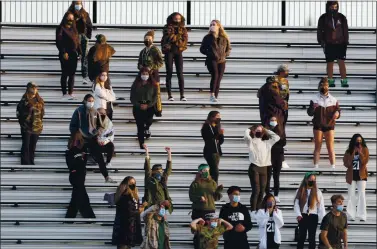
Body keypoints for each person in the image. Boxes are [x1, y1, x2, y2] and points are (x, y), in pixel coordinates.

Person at [69, 94, 116, 183]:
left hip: (92, 138)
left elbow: (101, 126)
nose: (91, 103)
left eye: (92, 101)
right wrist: (76, 133)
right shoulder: (78, 111)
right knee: (81, 160)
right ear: (85, 101)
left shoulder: (95, 111)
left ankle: (106, 176)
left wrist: (97, 133)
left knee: (100, 157)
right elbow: (72, 125)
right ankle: (80, 180)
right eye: (89, 101)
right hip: (81, 138)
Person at [243, 125, 280, 213]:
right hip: (254, 167)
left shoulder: (267, 143)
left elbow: (277, 137)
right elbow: (246, 136)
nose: (259, 132)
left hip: (264, 168)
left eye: (260, 131)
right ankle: (253, 210)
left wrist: (265, 130)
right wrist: (249, 129)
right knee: (256, 190)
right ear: (254, 132)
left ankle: (258, 210)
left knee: (262, 190)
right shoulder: (251, 141)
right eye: (257, 131)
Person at [307, 77, 340, 169]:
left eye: (325, 85)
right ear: (319, 86)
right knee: (318, 146)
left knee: (330, 147)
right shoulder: (314, 99)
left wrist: (337, 113)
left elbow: (338, 110)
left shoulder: (333, 99)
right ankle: (316, 165)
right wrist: (313, 108)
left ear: (328, 86)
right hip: (318, 125)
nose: (324, 87)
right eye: (322, 85)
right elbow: (309, 113)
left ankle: (333, 166)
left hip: (329, 125)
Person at [189, 164, 223, 249]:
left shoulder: (212, 182)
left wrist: (218, 192)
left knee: (211, 232)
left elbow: (216, 198)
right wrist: (199, 198)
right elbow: (191, 197)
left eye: (207, 170)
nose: (206, 172)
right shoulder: (195, 183)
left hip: (210, 210)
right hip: (198, 211)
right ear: (200, 171)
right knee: (199, 232)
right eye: (204, 170)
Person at [317, 1, 349, 88]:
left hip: (340, 44)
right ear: (328, 7)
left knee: (341, 62)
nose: (334, 8)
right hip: (329, 44)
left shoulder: (341, 17)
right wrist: (321, 41)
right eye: (332, 7)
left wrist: (346, 42)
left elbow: (345, 30)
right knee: (330, 63)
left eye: (335, 7)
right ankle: (330, 80)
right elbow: (319, 31)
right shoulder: (323, 18)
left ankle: (344, 81)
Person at [65, 131, 95, 219]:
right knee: (82, 195)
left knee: (77, 195)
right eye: (75, 140)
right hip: (75, 174)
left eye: (78, 140)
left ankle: (70, 218)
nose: (76, 142)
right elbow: (70, 164)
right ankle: (89, 217)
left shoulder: (83, 150)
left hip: (80, 174)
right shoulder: (70, 151)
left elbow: (82, 163)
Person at [200, 20, 231, 102]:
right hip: (211, 60)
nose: (212, 26)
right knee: (215, 75)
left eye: (214, 24)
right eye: (211, 24)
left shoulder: (224, 38)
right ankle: (212, 94)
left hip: (222, 61)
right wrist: (209, 53)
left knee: (219, 78)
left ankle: (215, 97)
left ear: (218, 26)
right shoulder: (207, 38)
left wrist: (225, 54)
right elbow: (202, 49)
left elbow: (228, 48)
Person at [294, 172, 326, 249]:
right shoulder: (299, 191)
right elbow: (296, 204)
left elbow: (320, 206)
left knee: (312, 237)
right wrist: (298, 214)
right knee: (302, 236)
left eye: (314, 179)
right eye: (310, 179)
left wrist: (323, 219)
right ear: (306, 180)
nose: (312, 181)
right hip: (303, 215)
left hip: (313, 216)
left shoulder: (318, 192)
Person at [161, 12, 188, 101]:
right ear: (172, 18)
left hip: (178, 51)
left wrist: (175, 39)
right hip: (169, 52)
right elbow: (167, 37)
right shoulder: (167, 27)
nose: (177, 20)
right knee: (169, 72)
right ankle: (170, 95)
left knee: (180, 73)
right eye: (175, 18)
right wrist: (178, 38)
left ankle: (182, 95)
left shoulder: (183, 29)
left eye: (178, 19)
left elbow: (184, 41)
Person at [112, 176, 145, 249]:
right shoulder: (124, 196)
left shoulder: (132, 196)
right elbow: (128, 212)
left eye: (134, 183)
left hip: (129, 228)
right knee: (123, 246)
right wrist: (139, 210)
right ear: (126, 184)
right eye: (130, 183)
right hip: (124, 228)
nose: (133, 185)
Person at [16, 82, 45, 165]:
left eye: (35, 88)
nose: (35, 89)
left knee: (32, 146)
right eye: (33, 87)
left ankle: (31, 161)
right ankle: (25, 162)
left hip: (36, 127)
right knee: (26, 145)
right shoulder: (24, 100)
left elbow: (42, 113)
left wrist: (38, 122)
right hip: (26, 127)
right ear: (28, 88)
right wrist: (24, 123)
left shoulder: (40, 100)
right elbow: (19, 114)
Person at [343, 134, 369, 221]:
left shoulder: (365, 149)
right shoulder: (348, 151)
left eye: (360, 141)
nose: (359, 142)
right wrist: (353, 154)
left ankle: (362, 215)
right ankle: (351, 215)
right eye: (357, 141)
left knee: (362, 195)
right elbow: (346, 164)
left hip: (361, 175)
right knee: (351, 195)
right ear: (353, 141)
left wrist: (360, 153)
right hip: (351, 175)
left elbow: (365, 162)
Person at [130, 67, 158, 149]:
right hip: (138, 107)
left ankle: (147, 128)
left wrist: (148, 105)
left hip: (149, 107)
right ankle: (141, 144)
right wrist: (139, 105)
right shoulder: (135, 85)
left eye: (146, 74)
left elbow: (155, 98)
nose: (145, 76)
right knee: (140, 126)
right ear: (140, 75)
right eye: (143, 74)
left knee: (149, 121)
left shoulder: (153, 85)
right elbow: (132, 98)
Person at [138, 30, 164, 117]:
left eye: (149, 39)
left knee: (156, 92)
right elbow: (139, 63)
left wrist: (151, 67)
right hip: (144, 75)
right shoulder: (142, 51)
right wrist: (140, 67)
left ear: (152, 40)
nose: (147, 40)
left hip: (153, 74)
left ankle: (158, 110)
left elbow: (161, 62)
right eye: (146, 39)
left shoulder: (155, 50)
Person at [56, 11, 81, 100]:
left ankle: (70, 93)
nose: (70, 20)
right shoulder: (61, 28)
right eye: (69, 18)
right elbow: (59, 41)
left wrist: (80, 52)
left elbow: (77, 42)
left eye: (72, 18)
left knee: (72, 74)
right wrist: (63, 52)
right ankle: (64, 93)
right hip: (65, 54)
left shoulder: (74, 29)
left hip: (74, 54)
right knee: (65, 73)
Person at [68, 1, 93, 84]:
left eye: (79, 3)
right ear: (73, 4)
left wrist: (88, 35)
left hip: (83, 37)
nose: (78, 5)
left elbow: (89, 25)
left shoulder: (85, 14)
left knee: (85, 56)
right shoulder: (69, 13)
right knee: (73, 56)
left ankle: (85, 76)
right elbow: (66, 25)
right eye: (76, 3)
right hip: (74, 37)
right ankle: (71, 76)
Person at [143, 145, 173, 214]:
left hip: (161, 207)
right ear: (153, 172)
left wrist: (169, 153)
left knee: (161, 223)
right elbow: (147, 168)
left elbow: (168, 169)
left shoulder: (162, 181)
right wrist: (147, 152)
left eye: (161, 171)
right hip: (151, 207)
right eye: (157, 171)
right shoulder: (149, 180)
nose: (159, 173)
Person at [265, 116, 286, 203]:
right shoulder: (266, 130)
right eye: (271, 120)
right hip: (268, 156)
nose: (273, 121)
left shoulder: (281, 130)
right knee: (268, 176)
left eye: (274, 120)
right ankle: (267, 194)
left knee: (276, 176)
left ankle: (276, 194)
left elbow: (283, 142)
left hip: (278, 156)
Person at [201, 111, 224, 183]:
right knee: (215, 172)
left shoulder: (216, 127)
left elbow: (220, 142)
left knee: (213, 171)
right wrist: (218, 134)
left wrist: (221, 135)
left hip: (217, 152)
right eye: (217, 116)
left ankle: (211, 185)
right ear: (212, 117)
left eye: (219, 116)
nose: (219, 118)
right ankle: (214, 187)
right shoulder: (206, 126)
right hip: (210, 152)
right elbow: (209, 139)